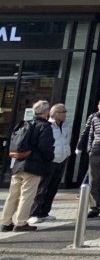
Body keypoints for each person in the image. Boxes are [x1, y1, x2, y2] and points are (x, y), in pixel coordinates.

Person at [2, 100, 55, 233]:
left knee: (13, 195)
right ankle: (21, 222)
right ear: (46, 112)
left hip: (19, 162)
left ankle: (5, 221)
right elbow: (45, 147)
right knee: (27, 195)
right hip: (34, 166)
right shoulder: (44, 126)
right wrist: (49, 158)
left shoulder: (25, 124)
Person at [28, 102, 71, 225]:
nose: (65, 114)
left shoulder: (66, 125)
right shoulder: (47, 125)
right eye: (62, 112)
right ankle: (33, 212)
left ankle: (44, 212)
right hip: (49, 160)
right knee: (42, 188)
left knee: (53, 188)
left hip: (62, 159)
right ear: (54, 113)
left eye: (65, 111)